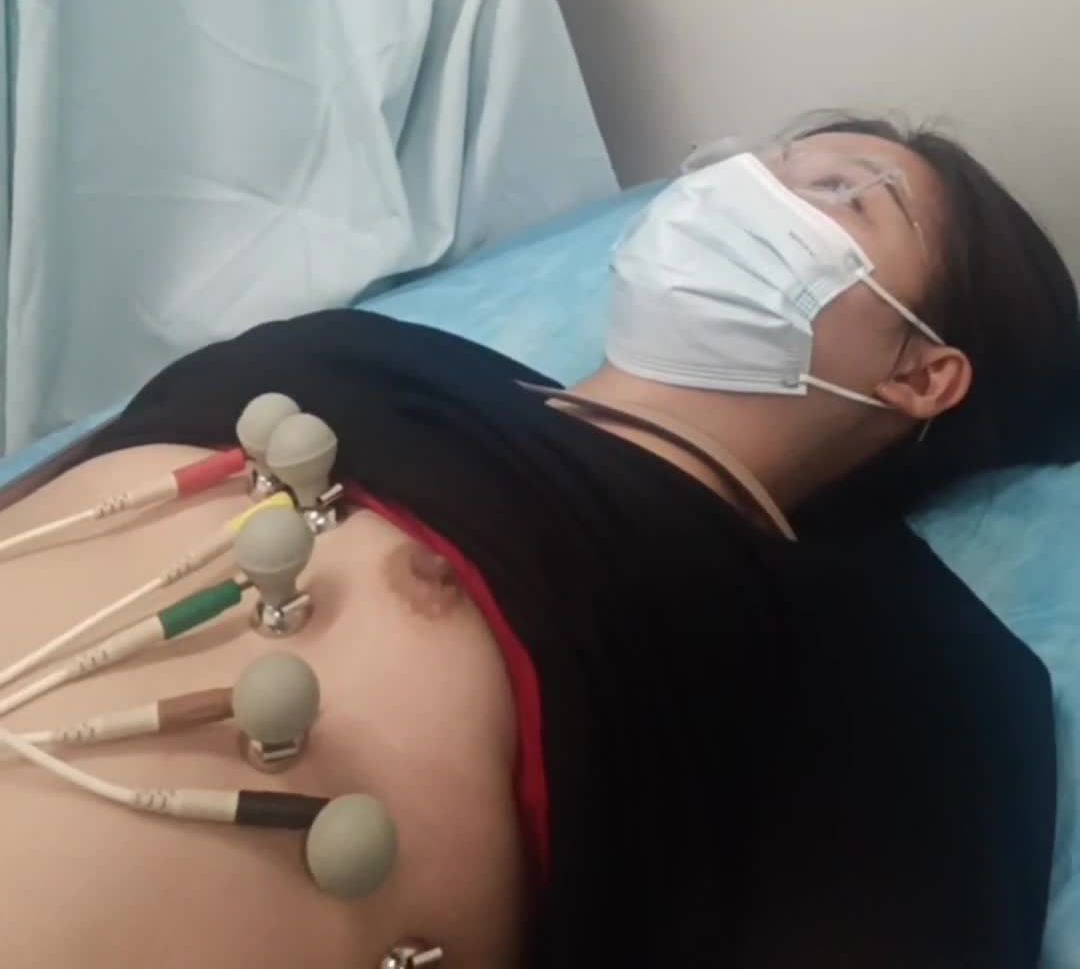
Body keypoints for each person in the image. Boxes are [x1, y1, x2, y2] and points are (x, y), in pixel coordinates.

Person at [1, 114, 1077, 968]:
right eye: (764, 161)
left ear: (920, 374)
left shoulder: (901, 663)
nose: (744, 189)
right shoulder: (367, 350)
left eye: (842, 193)